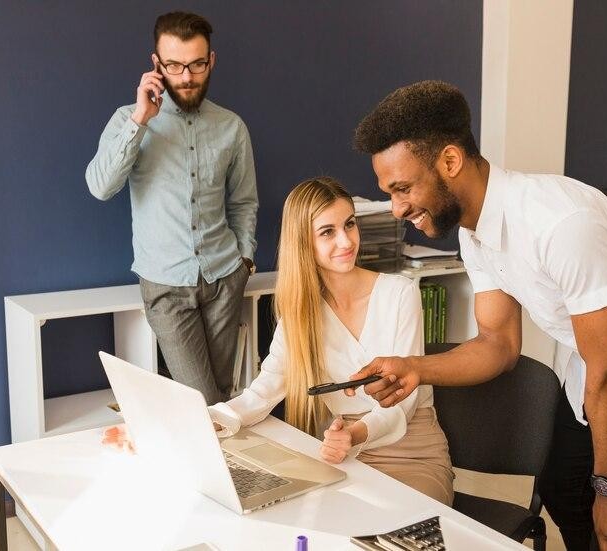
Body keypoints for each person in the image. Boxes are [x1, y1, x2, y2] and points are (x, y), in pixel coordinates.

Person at [348, 80, 607, 550]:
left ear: (449, 162)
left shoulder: (559, 224)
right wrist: (415, 369)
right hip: (601, 360)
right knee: (563, 488)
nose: (397, 209)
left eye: (403, 188)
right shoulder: (474, 233)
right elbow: (497, 344)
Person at [104, 177, 454, 505]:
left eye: (349, 224)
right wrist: (169, 427)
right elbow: (262, 393)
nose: (346, 241)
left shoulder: (400, 294)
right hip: (344, 452)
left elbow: (402, 404)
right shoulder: (301, 313)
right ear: (304, 242)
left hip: (411, 451)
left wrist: (356, 433)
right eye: (327, 232)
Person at [86, 11, 258, 404]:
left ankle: (223, 467)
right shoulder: (128, 120)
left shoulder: (232, 127)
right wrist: (141, 119)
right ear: (156, 64)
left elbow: (244, 201)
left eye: (197, 64)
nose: (186, 76)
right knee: (201, 401)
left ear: (211, 60)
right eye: (175, 65)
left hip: (224, 279)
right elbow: (99, 187)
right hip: (166, 287)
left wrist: (244, 261)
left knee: (224, 398)